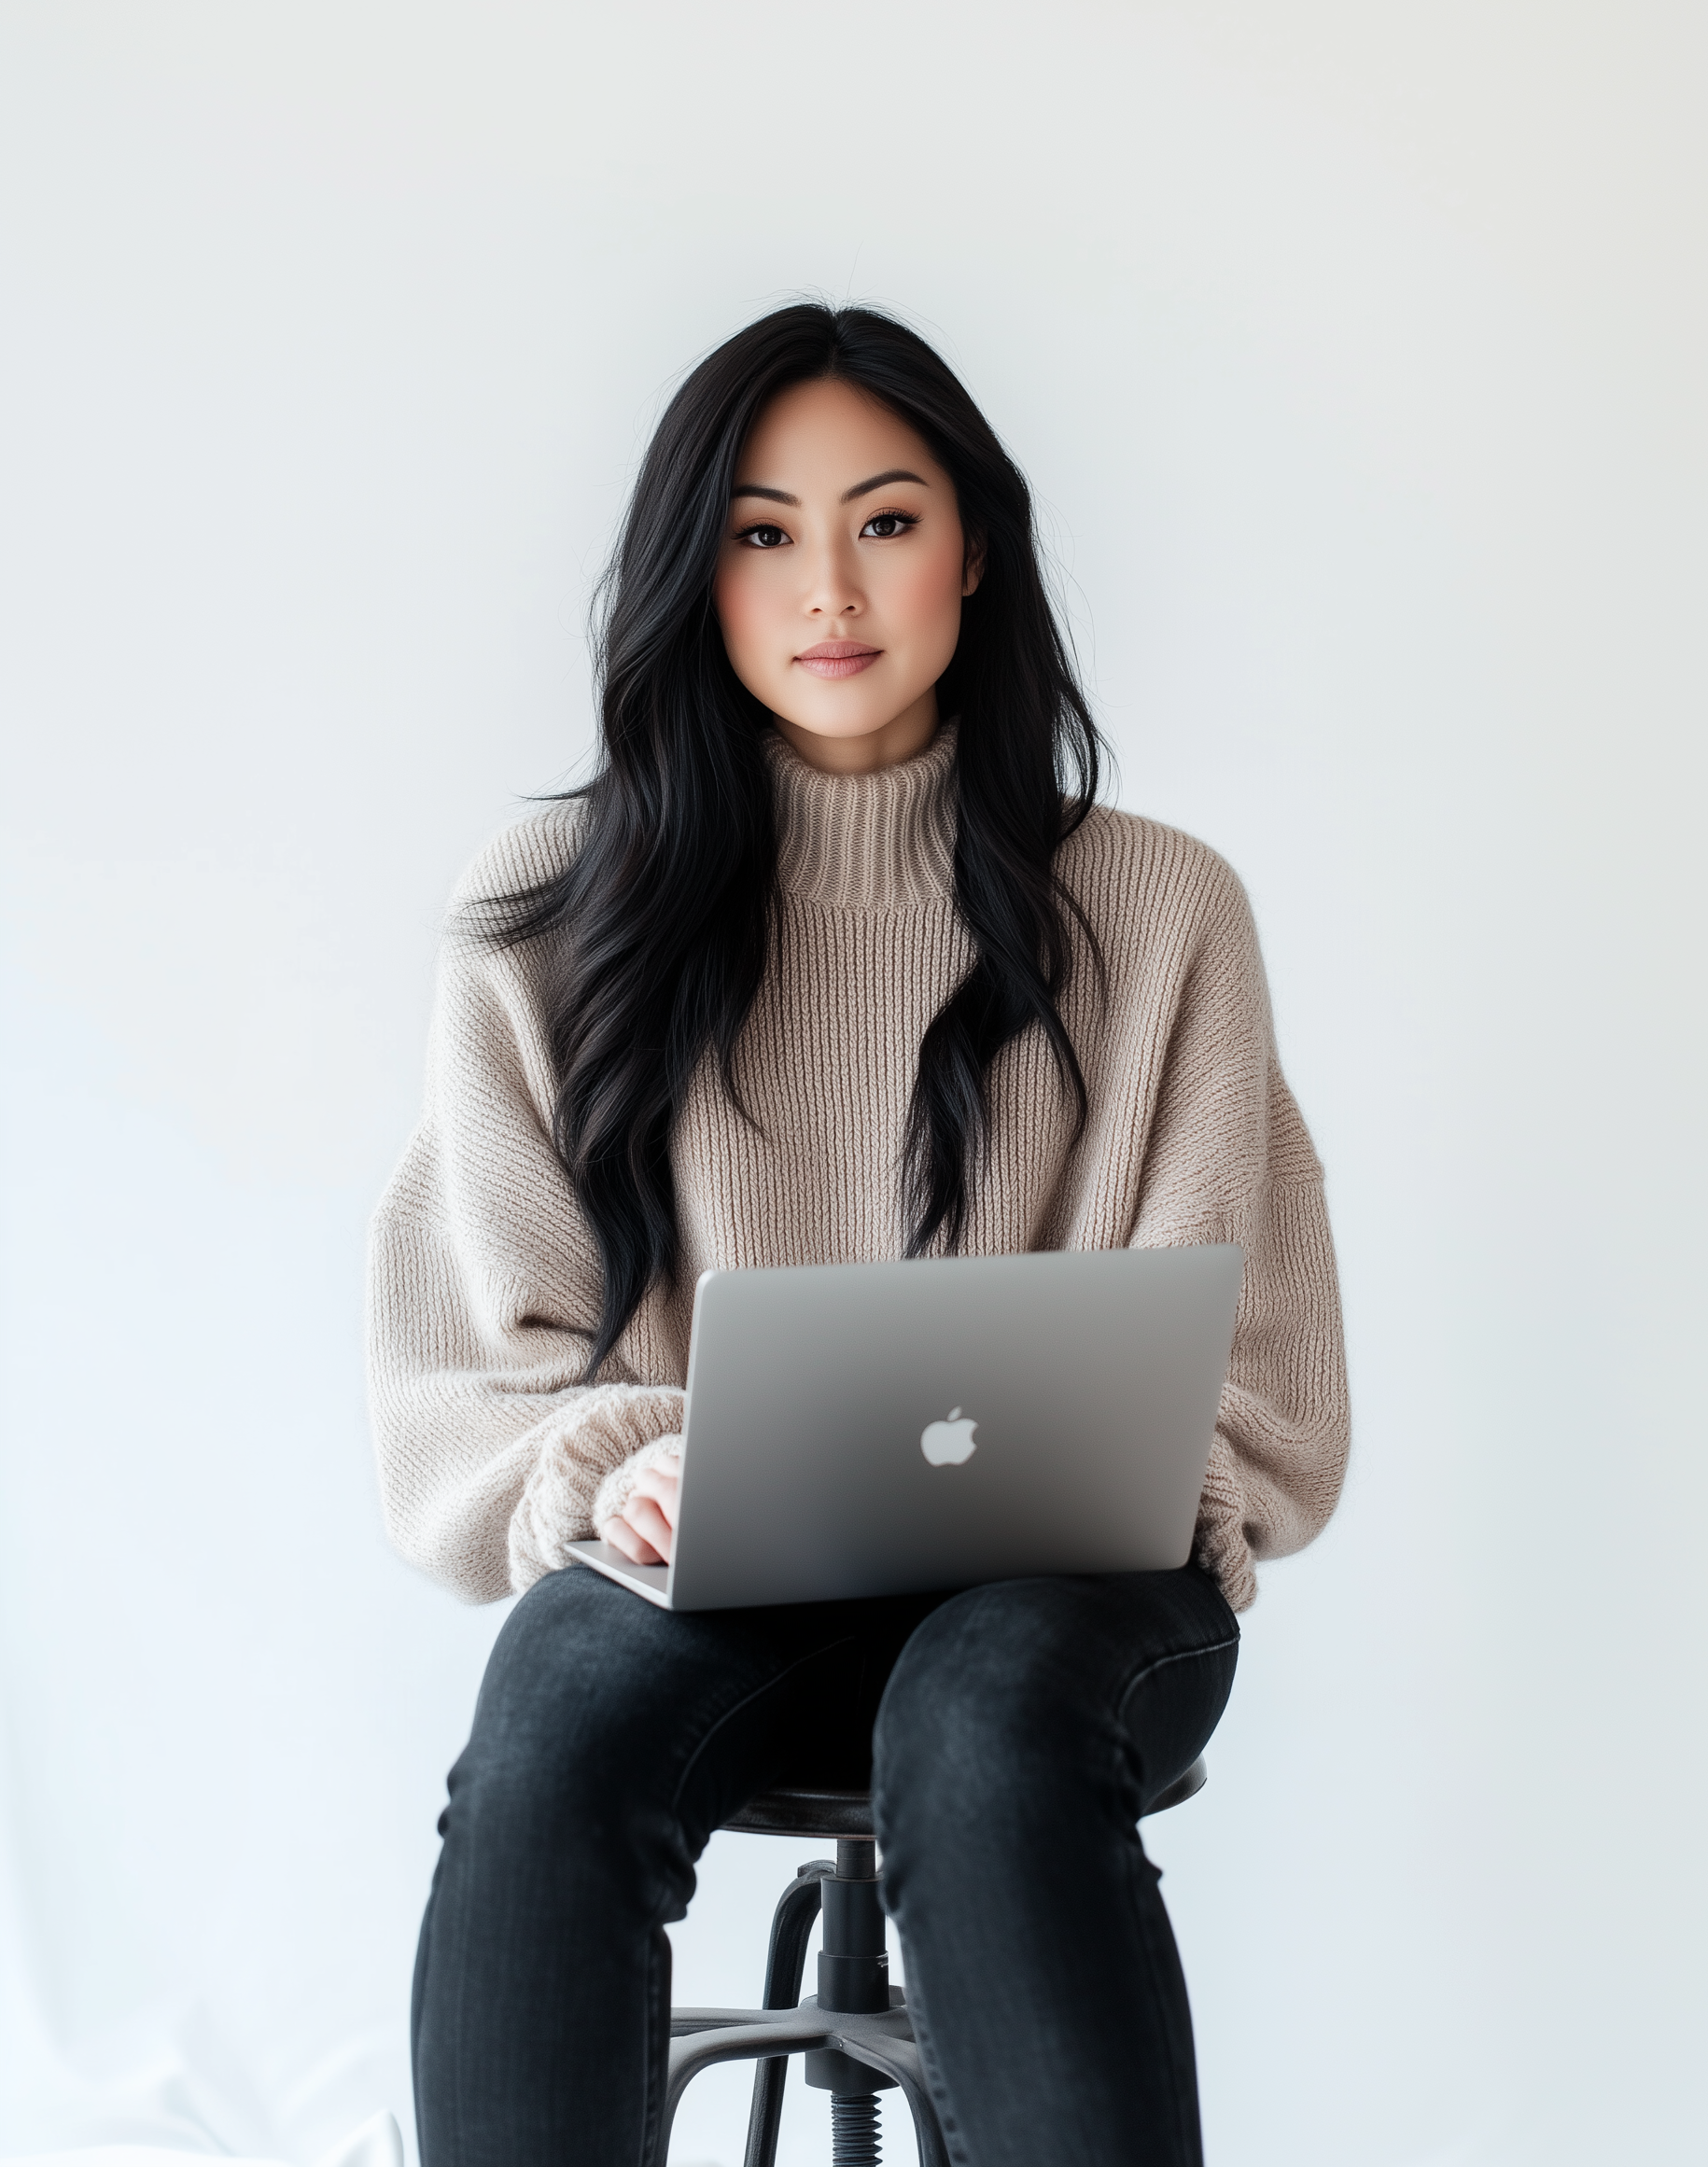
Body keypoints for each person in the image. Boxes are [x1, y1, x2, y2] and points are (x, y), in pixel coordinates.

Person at [368, 304, 1350, 2167]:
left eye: (885, 519)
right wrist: (625, 1468)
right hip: (713, 1570)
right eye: (760, 530)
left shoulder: (1157, 910)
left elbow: (1262, 1374)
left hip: (1079, 1594)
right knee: (554, 1721)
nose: (829, 584)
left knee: (982, 1723)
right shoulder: (543, 913)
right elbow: (466, 1382)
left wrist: (1131, 1464)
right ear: (695, 572)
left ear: (972, 548)